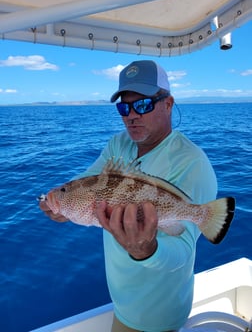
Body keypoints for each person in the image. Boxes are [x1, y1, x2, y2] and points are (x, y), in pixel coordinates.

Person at [40, 60, 217, 332]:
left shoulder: (192, 162)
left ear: (168, 104)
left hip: (157, 312)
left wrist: (146, 250)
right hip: (123, 301)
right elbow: (85, 186)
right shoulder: (118, 144)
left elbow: (182, 251)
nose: (131, 115)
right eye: (124, 107)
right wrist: (60, 206)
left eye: (143, 105)